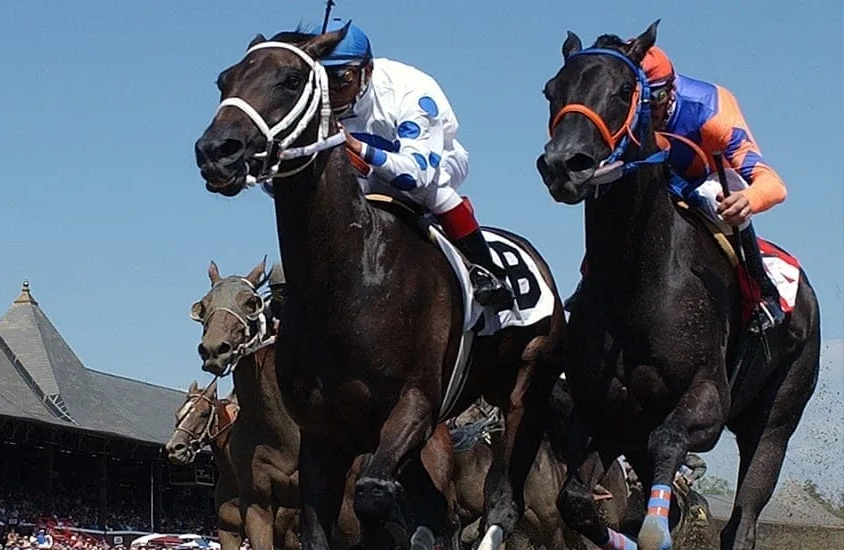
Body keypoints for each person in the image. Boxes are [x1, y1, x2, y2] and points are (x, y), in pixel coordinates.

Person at [566, 45, 786, 333]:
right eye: (641, 99)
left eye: (656, 98)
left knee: (715, 196)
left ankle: (761, 291)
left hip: (703, 178)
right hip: (657, 177)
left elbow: (773, 185)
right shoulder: (628, 113)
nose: (650, 110)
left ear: (671, 89)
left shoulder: (712, 112)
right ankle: (590, 282)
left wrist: (748, 200)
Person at [319, 21, 513, 309]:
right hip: (369, 168)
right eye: (323, 77)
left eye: (342, 77)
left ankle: (487, 272)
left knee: (428, 190)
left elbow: (416, 176)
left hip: (435, 161)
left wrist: (357, 147)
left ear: (366, 71)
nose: (332, 89)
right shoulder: (318, 96)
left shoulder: (411, 92)